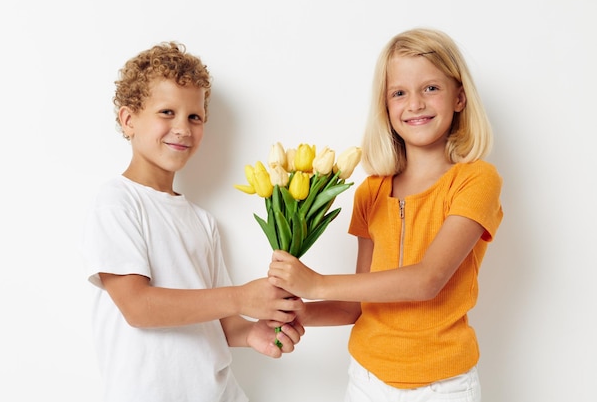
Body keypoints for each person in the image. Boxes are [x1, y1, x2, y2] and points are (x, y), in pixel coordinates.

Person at [268, 28, 503, 402]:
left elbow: (427, 280)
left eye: (430, 88)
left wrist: (315, 284)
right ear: (386, 107)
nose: (415, 104)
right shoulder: (371, 191)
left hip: (444, 387)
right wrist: (300, 312)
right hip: (367, 381)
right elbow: (355, 304)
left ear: (459, 97)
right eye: (399, 93)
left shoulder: (476, 180)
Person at [80, 41, 304, 402]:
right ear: (128, 120)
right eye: (167, 112)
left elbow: (221, 321)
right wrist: (240, 297)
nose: (182, 128)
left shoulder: (202, 221)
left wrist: (250, 334)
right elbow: (137, 307)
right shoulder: (117, 202)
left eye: (194, 117)